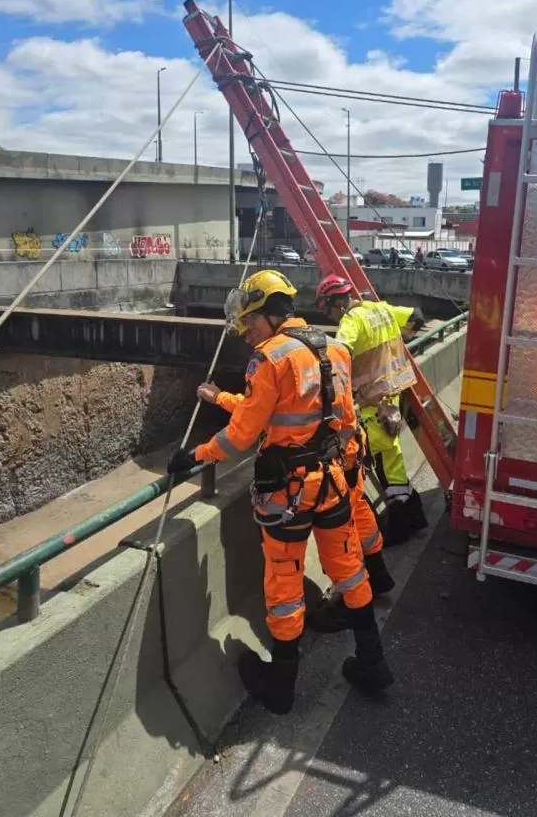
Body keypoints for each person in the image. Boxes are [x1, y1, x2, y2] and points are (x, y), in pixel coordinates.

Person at [167, 270, 394, 715]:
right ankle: (373, 660)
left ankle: (281, 684)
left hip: (288, 493)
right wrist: (222, 398)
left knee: (284, 582)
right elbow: (338, 419)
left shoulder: (269, 359)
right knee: (349, 570)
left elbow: (241, 434)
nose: (246, 333)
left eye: (250, 323)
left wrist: (194, 456)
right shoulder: (334, 348)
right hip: (332, 481)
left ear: (269, 314)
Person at [316, 275, 429, 545]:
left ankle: (399, 527)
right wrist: (401, 340)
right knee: (392, 459)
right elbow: (417, 316)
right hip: (394, 397)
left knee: (371, 466)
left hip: (373, 405)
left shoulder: (351, 321)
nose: (330, 316)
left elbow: (339, 355)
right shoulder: (381, 309)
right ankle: (414, 516)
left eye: (327, 309)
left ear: (336, 302)